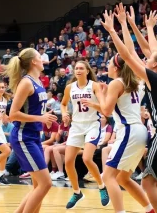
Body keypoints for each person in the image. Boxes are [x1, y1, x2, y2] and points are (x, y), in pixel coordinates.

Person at [101, 4, 157, 213]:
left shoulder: (155, 79)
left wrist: (114, 30)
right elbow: (153, 50)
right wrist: (143, 26)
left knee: (148, 182)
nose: (146, 58)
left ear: (154, 66)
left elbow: (129, 55)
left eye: (148, 60)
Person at [88, 52, 154, 213]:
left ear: (116, 68)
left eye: (109, 63)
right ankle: (150, 210)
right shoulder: (136, 83)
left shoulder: (116, 83)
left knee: (107, 177)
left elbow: (107, 111)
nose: (107, 66)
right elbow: (113, 109)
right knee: (122, 178)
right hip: (138, 130)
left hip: (129, 131)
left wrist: (101, 96)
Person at [5, 48, 57, 213]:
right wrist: (40, 118)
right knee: (46, 184)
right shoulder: (26, 82)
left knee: (38, 187)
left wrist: (44, 115)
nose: (42, 58)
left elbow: (33, 110)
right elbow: (13, 114)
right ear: (34, 61)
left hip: (34, 136)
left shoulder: (39, 81)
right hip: (23, 136)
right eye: (39, 56)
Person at [61, 61, 109, 209]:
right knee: (68, 162)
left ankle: (102, 186)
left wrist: (92, 104)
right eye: (76, 68)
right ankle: (77, 192)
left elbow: (104, 108)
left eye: (81, 68)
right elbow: (63, 104)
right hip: (76, 126)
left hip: (92, 125)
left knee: (86, 158)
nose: (78, 70)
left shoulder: (94, 86)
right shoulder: (70, 88)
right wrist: (64, 114)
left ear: (87, 71)